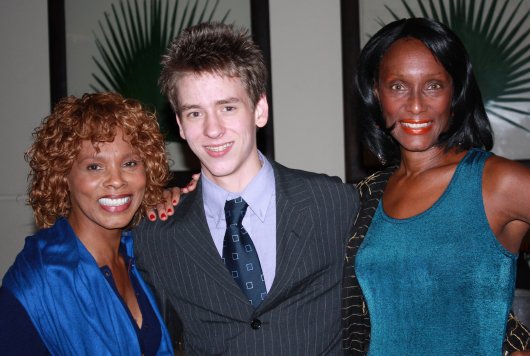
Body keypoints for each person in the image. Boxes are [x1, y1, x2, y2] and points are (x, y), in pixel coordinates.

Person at [133, 22, 360, 354]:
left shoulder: (335, 203)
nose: (213, 130)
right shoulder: (157, 236)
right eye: (195, 113)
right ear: (180, 125)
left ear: (260, 110)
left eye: (227, 107)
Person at [341, 18, 530, 355]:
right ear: (376, 92)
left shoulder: (495, 181)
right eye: (398, 86)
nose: (415, 105)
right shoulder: (365, 196)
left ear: (455, 93)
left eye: (433, 85)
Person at [0, 92, 174, 355]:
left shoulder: (141, 254)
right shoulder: (38, 282)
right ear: (62, 176)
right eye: (94, 167)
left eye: (129, 163)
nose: (116, 180)